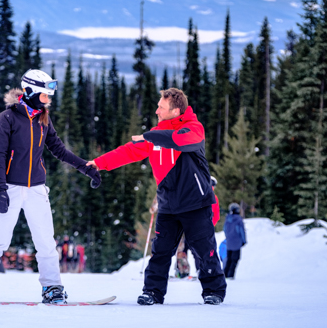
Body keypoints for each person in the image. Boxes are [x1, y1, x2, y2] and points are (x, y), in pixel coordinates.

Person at [0, 69, 101, 304]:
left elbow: (58, 149)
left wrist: (85, 167)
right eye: (44, 96)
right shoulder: (7, 118)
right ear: (30, 92)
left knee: (45, 241)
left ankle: (52, 287)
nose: (47, 100)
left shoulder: (43, 118)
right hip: (9, 187)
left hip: (37, 189)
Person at [88, 87, 226, 305]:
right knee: (160, 251)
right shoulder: (156, 135)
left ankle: (214, 291)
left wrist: (149, 136)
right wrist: (99, 163)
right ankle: (152, 292)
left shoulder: (193, 129)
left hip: (195, 203)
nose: (156, 111)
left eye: (161, 107)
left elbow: (179, 140)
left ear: (175, 110)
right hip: (169, 204)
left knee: (204, 249)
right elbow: (128, 151)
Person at [223, 203, 247, 279]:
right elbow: (241, 231)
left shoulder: (227, 219)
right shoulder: (238, 220)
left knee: (229, 259)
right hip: (237, 242)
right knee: (235, 259)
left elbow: (225, 229)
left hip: (229, 242)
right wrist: (244, 241)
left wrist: (227, 237)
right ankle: (230, 275)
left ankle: (225, 274)